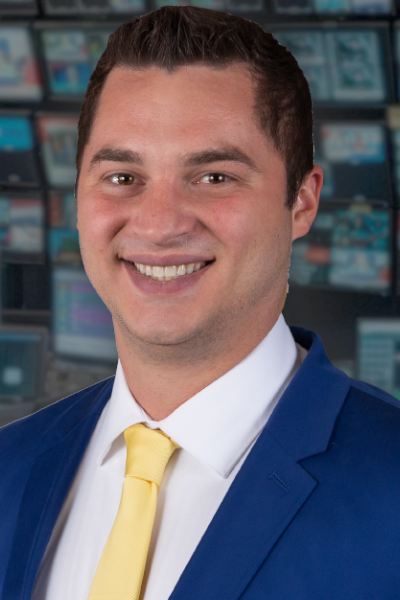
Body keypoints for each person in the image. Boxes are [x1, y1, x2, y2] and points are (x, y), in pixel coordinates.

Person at [1, 6, 400, 600]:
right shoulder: (9, 468)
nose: (159, 224)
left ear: (302, 202)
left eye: (214, 177)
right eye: (122, 177)